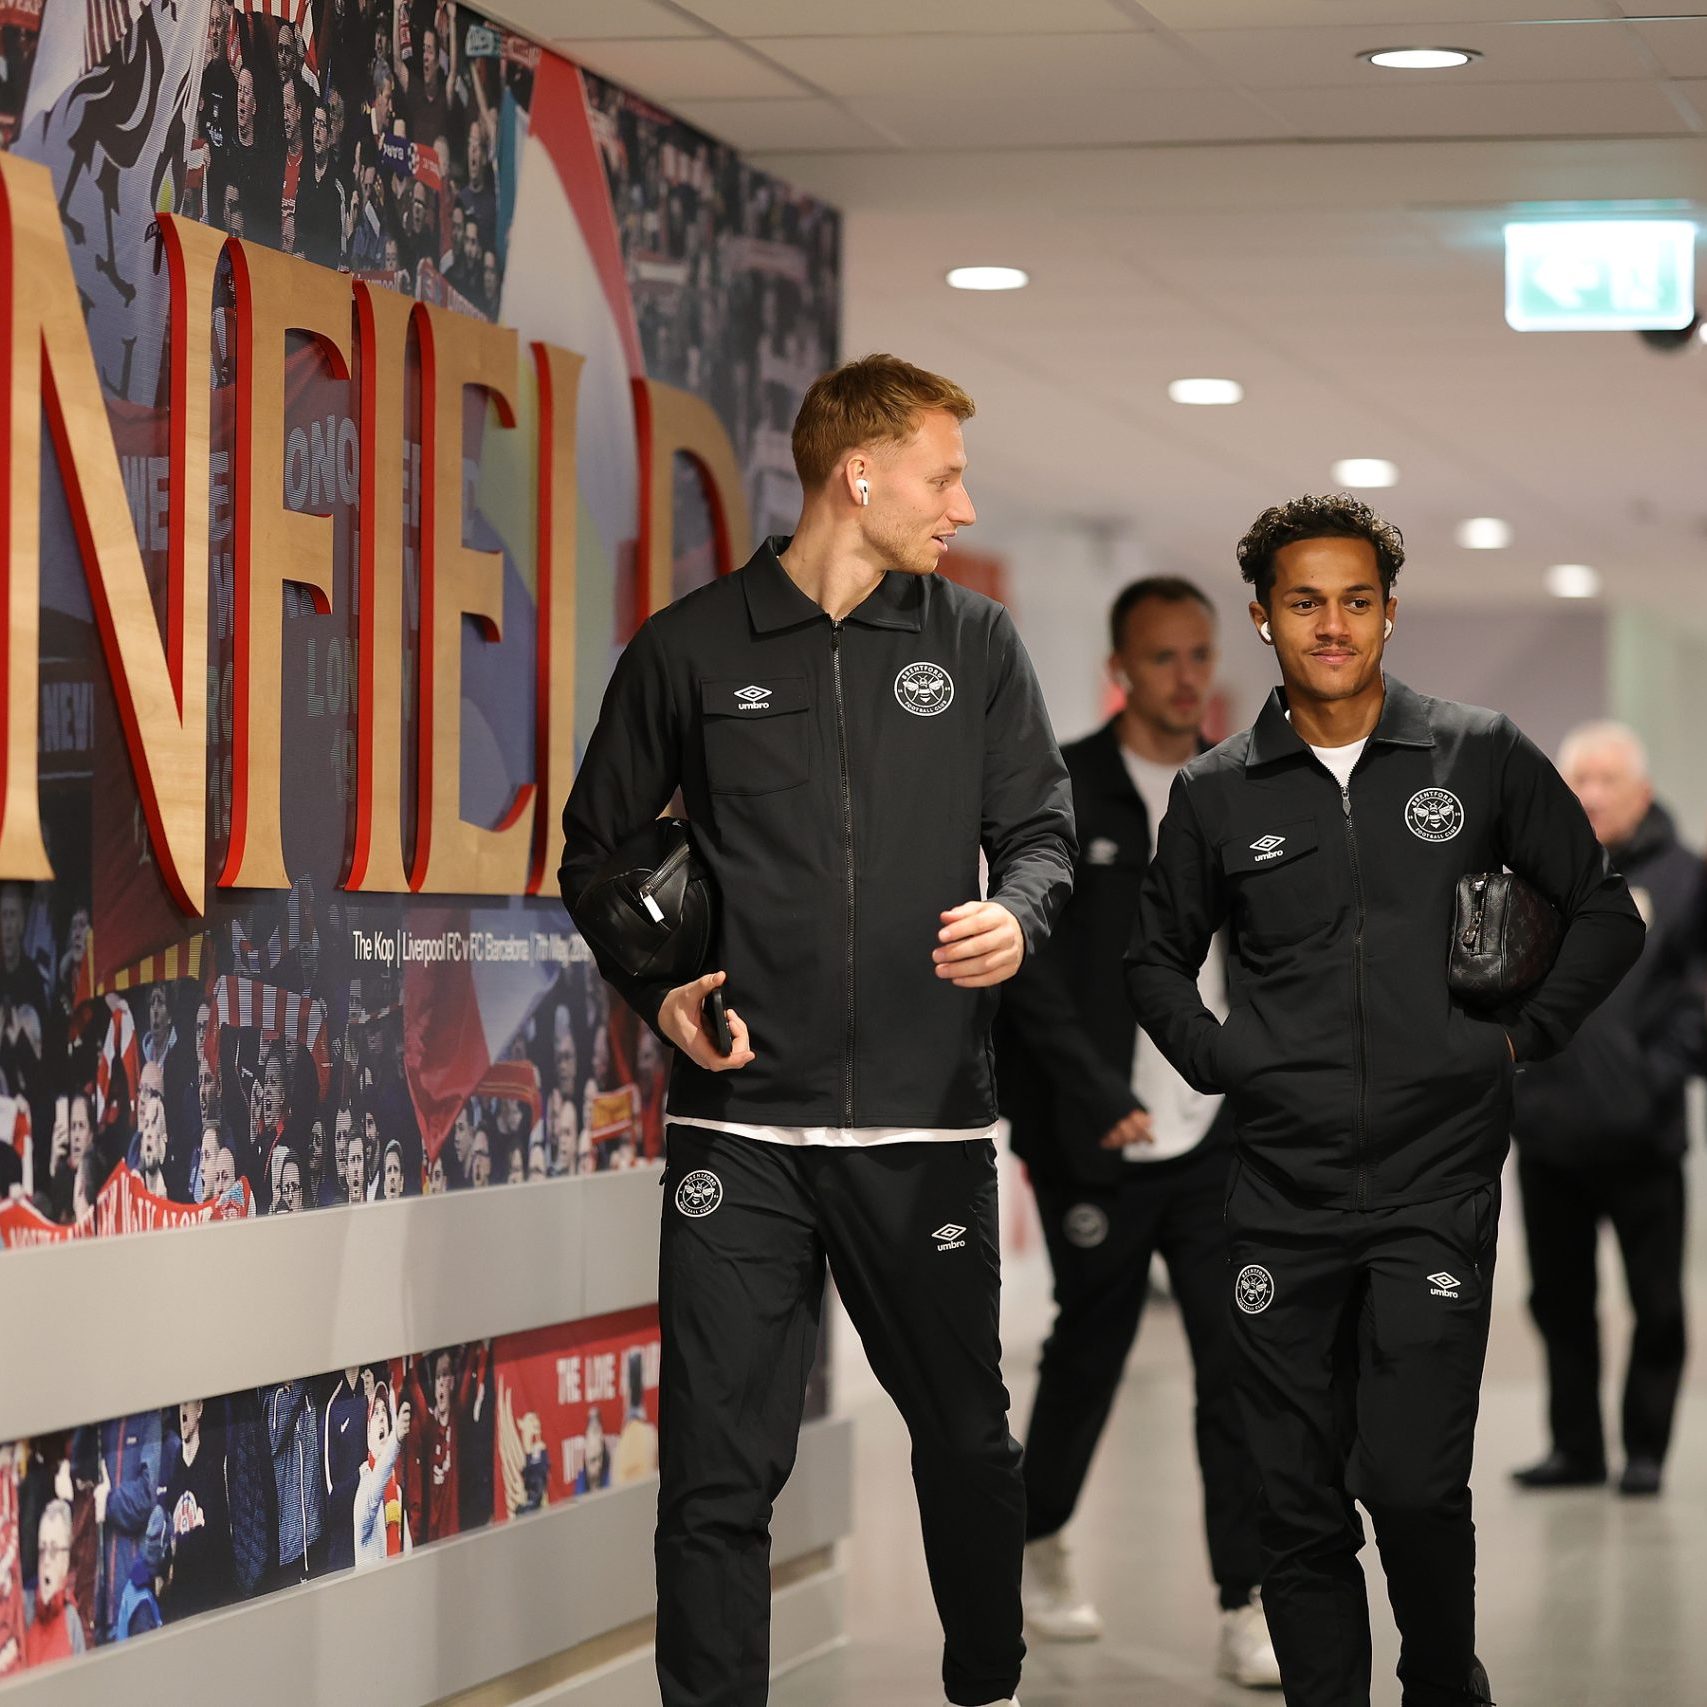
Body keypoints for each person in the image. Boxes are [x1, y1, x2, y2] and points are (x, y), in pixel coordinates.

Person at [560, 353, 1074, 1707]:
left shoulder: (970, 647)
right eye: (941, 471)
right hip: (745, 1132)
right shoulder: (688, 647)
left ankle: (986, 1682)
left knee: (967, 1440)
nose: (959, 502)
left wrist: (1017, 914)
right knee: (719, 1473)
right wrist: (653, 986)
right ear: (859, 473)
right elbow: (595, 853)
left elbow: (1040, 833)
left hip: (925, 1126)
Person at [1128, 493, 1644, 1707]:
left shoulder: (1479, 752)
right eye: (1305, 602)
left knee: (1413, 1484)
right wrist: (1219, 1059)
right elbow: (1152, 957)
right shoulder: (1216, 792)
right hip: (1278, 1190)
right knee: (1294, 1501)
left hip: (1435, 1182)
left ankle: (1441, 1684)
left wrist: (1514, 1042)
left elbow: (1604, 913)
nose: (1333, 624)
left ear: (1390, 612)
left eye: (1357, 601)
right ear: (1263, 616)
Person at [996, 576, 1276, 1687]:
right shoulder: (1065, 790)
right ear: (1123, 669)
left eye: (1199, 654)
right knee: (1091, 1352)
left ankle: (1246, 1601)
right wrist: (1083, 1091)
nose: (1186, 677)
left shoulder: (1247, 790)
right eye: (1163, 657)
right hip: (1093, 1135)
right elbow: (1037, 970)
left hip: (1219, 1131)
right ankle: (1038, 1536)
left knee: (1238, 1363)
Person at [1510, 721, 1707, 1497]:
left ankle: (1646, 1449)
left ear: (1642, 793)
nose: (1588, 793)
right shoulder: (1534, 868)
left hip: (1642, 1135)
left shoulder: (1686, 878)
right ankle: (1575, 1447)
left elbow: (1698, 997)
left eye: (1605, 780)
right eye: (1578, 778)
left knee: (1654, 1301)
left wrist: (1654, 1074)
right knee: (1558, 1301)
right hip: (1549, 1130)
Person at [354, 1386, 411, 1568]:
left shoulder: (397, 1488)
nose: (381, 1417)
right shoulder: (365, 1483)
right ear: (367, 1432)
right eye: (375, 1413)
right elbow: (378, 1482)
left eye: (384, 1411)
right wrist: (396, 1439)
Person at [23, 1500, 83, 1665]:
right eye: (42, 1550)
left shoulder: (71, 1621)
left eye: (54, 1550)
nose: (46, 1561)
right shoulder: (23, 1609)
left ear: (66, 1560)